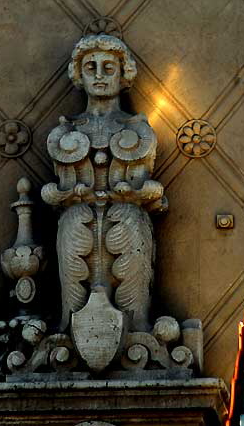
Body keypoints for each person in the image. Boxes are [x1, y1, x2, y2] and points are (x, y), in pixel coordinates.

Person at [42, 34, 166, 336]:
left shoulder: (137, 128)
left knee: (133, 239)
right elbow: (52, 192)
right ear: (79, 76)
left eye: (108, 68)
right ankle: (70, 329)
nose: (99, 75)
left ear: (123, 75)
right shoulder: (66, 130)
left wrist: (137, 194)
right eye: (91, 68)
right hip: (77, 216)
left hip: (128, 217)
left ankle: (137, 330)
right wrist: (65, 194)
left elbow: (152, 190)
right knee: (71, 243)